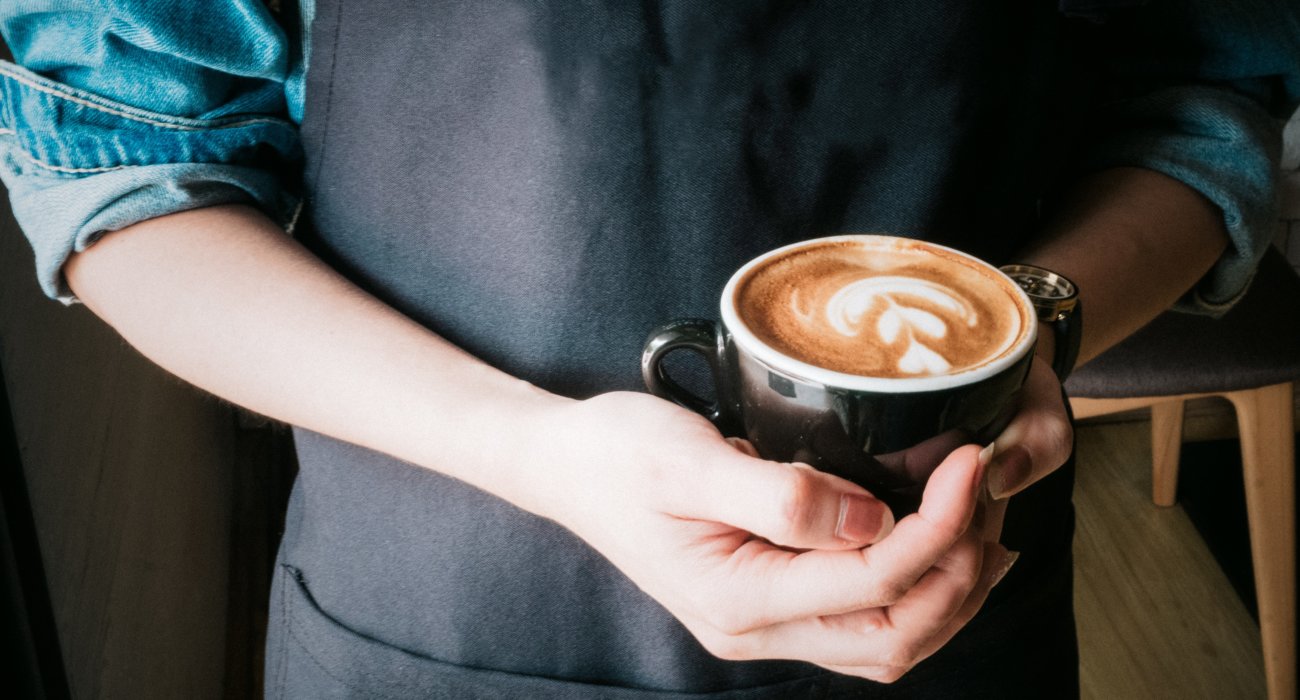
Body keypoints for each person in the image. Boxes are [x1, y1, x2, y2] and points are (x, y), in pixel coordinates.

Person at [1, 1, 1295, 697]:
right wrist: (534, 449)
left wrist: (1036, 333)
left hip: (952, 614)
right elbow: (132, 173)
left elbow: (1200, 92)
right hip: (430, 622)